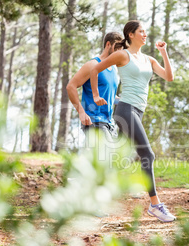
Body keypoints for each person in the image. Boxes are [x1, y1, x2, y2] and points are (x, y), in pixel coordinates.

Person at [90, 20, 176, 222]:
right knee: (147, 153)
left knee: (122, 159)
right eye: (141, 31)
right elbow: (95, 70)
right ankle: (155, 205)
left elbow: (169, 77)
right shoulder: (123, 55)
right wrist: (95, 95)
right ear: (130, 35)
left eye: (145, 32)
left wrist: (164, 53)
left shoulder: (148, 59)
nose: (145, 35)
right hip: (125, 109)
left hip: (138, 111)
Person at [66, 32, 122, 140]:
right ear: (108, 45)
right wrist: (81, 113)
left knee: (113, 155)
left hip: (109, 123)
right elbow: (71, 86)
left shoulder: (114, 70)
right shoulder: (93, 65)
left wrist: (126, 101)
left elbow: (109, 97)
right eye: (117, 47)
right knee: (107, 153)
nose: (119, 51)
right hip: (94, 121)